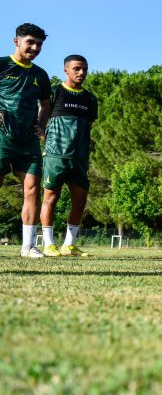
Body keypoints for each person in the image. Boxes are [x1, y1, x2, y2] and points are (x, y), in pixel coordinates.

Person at [1, 23, 52, 258]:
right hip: (2, 139)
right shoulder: (2, 65)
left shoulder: (40, 75)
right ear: (16, 41)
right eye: (30, 42)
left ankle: (28, 246)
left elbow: (45, 105)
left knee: (32, 189)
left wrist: (41, 125)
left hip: (28, 142)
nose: (35, 48)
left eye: (39, 44)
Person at [39, 55, 98, 257]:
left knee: (80, 201)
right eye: (77, 68)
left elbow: (88, 126)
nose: (81, 73)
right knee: (51, 198)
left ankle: (69, 245)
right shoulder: (55, 92)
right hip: (56, 156)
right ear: (66, 70)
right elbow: (42, 117)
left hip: (79, 158)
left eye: (84, 69)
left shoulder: (90, 98)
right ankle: (49, 244)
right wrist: (46, 140)